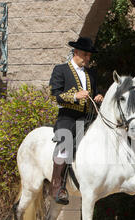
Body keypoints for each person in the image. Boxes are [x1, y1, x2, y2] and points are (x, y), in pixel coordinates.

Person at [49, 37, 103, 205]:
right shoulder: (61, 70)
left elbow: (97, 89)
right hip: (68, 118)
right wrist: (74, 96)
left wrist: (99, 95)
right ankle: (57, 185)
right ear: (76, 52)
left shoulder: (91, 73)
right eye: (86, 55)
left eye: (89, 56)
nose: (88, 58)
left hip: (87, 118)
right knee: (65, 142)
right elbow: (55, 95)